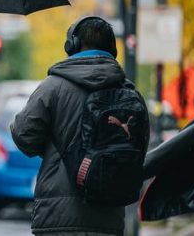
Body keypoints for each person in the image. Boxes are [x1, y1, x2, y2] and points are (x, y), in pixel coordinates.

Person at [11, 16, 144, 235]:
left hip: (57, 218)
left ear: (71, 45)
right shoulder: (130, 94)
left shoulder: (52, 87)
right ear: (113, 50)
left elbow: (24, 137)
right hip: (109, 218)